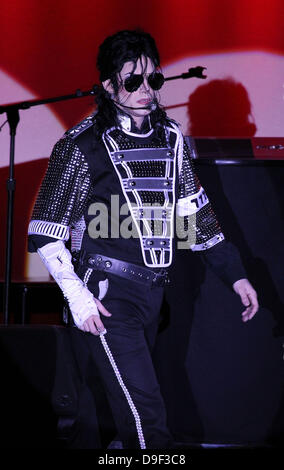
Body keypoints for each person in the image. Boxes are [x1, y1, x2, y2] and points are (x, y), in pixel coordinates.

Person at [27, 29, 259, 449]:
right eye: (132, 80)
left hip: (154, 295)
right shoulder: (81, 146)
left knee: (113, 414)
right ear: (108, 86)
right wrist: (78, 298)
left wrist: (236, 275)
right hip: (107, 297)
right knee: (145, 418)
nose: (145, 90)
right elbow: (45, 232)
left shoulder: (171, 140)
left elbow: (196, 216)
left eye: (153, 79)